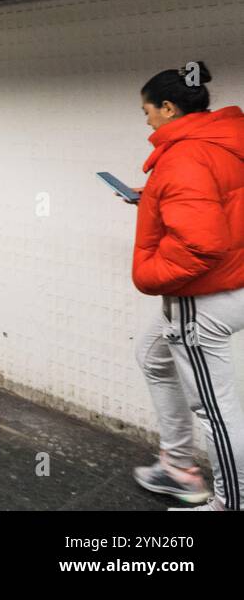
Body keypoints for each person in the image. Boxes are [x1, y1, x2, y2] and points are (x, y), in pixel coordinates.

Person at [128, 62, 244, 511]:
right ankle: (178, 466)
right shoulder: (224, 141)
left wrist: (149, 274)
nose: (147, 120)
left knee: (216, 410)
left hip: (206, 299)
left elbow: (201, 245)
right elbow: (217, 201)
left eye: (148, 111)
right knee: (152, 355)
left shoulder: (183, 155)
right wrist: (154, 200)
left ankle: (231, 504)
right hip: (235, 282)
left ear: (169, 107)